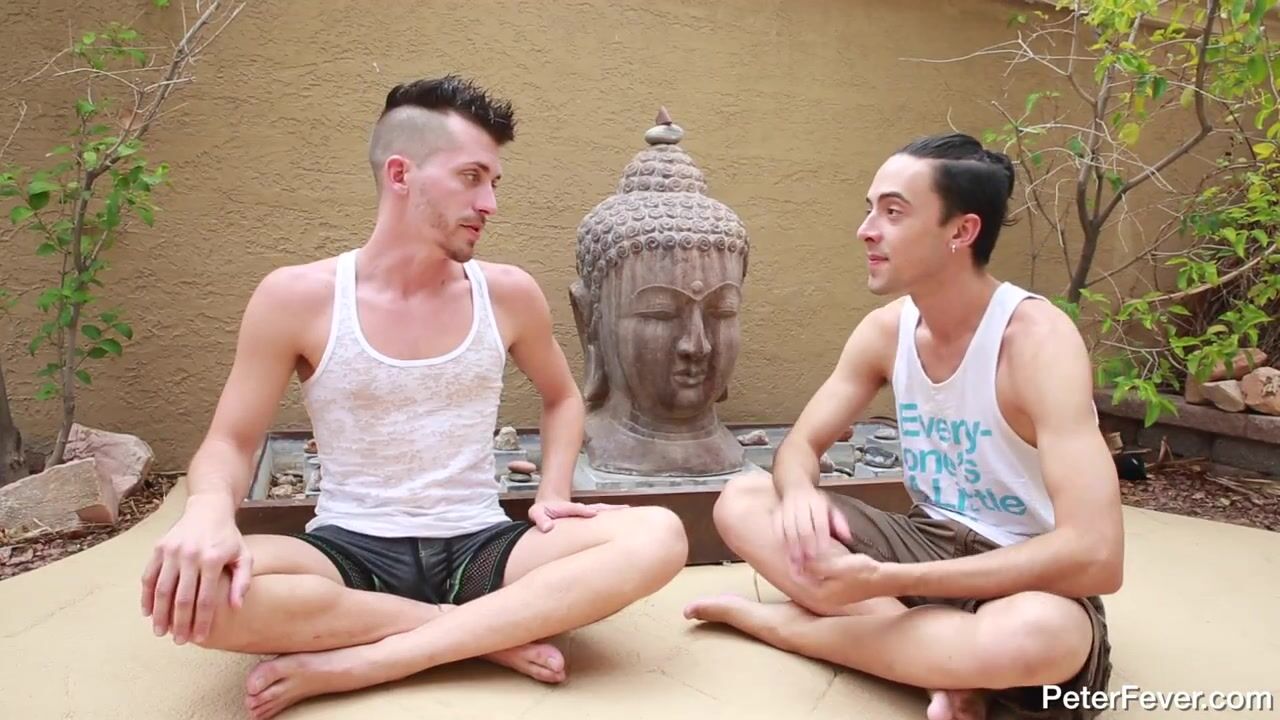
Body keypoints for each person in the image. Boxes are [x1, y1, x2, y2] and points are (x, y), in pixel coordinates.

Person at [140, 75, 689, 720]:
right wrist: (207, 512)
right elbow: (231, 442)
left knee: (659, 534)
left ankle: (375, 658)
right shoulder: (297, 297)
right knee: (187, 595)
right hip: (346, 550)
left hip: (482, 545)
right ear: (401, 174)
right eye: (471, 177)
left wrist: (552, 493)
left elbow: (564, 398)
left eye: (495, 182)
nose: (489, 203)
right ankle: (484, 635)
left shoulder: (508, 293)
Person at [684, 133, 1124, 720]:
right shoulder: (886, 331)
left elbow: (1097, 556)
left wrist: (880, 578)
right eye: (871, 209)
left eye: (893, 212)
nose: (866, 230)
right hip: (925, 539)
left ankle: (789, 629)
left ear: (961, 231)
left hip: (1025, 573)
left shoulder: (1037, 341)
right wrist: (797, 495)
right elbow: (801, 447)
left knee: (1041, 638)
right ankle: (944, 669)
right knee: (744, 499)